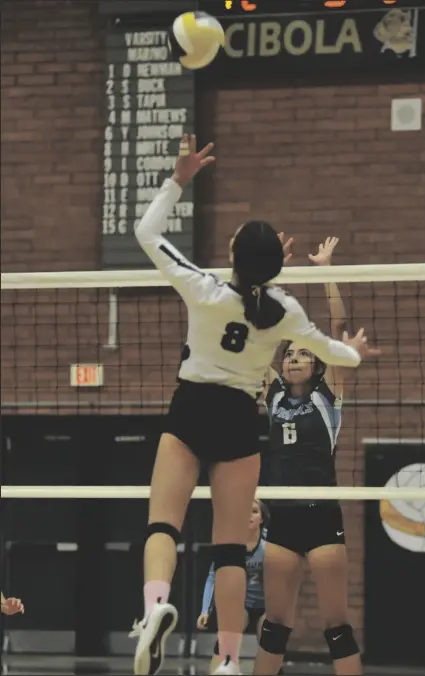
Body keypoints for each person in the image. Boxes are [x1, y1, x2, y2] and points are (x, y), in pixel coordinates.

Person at [129, 134, 371, 676]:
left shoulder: (204, 288)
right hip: (241, 418)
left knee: (162, 526)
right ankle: (228, 661)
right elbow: (336, 353)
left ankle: (153, 609)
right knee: (230, 549)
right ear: (272, 269)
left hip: (192, 406)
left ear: (233, 255)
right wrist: (350, 353)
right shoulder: (283, 310)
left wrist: (179, 178)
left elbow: (145, 232)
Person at [253, 237, 380, 676]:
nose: (293, 359)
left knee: (337, 627)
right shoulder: (271, 394)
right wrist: (271, 277)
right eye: (289, 354)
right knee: (274, 627)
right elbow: (260, 332)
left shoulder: (330, 394)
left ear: (318, 364)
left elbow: (339, 328)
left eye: (303, 353)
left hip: (322, 514)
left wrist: (325, 269)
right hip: (282, 518)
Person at [197, 499, 269, 674]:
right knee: (225, 637)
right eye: (245, 511)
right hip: (242, 603)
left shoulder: (270, 546)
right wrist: (205, 610)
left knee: (271, 639)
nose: (249, 516)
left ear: (262, 519)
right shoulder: (231, 545)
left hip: (267, 605)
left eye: (254, 511)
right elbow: (213, 577)